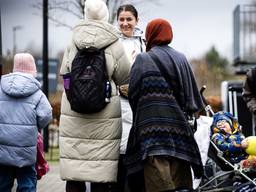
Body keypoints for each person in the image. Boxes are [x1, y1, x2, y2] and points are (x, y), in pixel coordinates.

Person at [58, 0, 131, 191]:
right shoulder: (114, 43)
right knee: (100, 173)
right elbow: (125, 77)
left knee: (74, 174)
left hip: (74, 115)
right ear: (106, 16)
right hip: (104, 115)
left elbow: (65, 74)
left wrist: (71, 92)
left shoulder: (73, 40)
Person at [125, 18, 204, 192]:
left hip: (151, 136)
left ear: (150, 34)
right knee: (181, 187)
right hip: (180, 138)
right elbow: (193, 100)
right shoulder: (181, 59)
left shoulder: (142, 59)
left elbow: (133, 95)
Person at [0, 53, 52, 192]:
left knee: (3, 183)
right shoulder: (37, 93)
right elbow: (46, 115)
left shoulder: (1, 87)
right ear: (32, 70)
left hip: (3, 151)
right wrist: (34, 127)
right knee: (27, 182)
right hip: (26, 151)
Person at [116, 4, 145, 191]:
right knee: (120, 153)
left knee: (136, 151)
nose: (125, 23)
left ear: (136, 20)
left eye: (129, 19)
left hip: (138, 105)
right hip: (118, 106)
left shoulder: (144, 43)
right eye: (121, 19)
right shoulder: (112, 43)